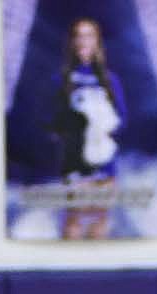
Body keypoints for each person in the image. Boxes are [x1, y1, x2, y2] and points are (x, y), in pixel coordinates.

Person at [52, 17, 125, 240]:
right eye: (79, 35)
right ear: (72, 41)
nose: (84, 41)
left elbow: (122, 117)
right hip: (75, 162)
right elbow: (53, 121)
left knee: (101, 217)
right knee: (75, 216)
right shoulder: (61, 79)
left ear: (97, 42)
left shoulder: (110, 80)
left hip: (105, 160)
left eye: (89, 35)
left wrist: (102, 130)